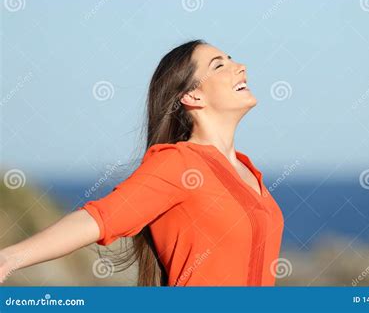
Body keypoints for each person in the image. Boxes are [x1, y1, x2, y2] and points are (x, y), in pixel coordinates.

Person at [0, 39, 284, 286]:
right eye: (218, 65)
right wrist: (9, 258)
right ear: (192, 95)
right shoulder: (179, 163)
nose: (240, 66)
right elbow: (101, 218)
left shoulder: (248, 170)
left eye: (231, 59)